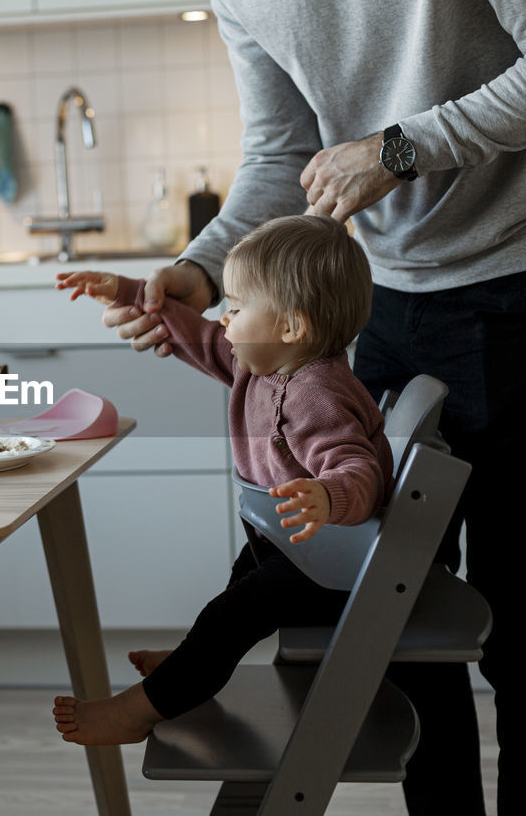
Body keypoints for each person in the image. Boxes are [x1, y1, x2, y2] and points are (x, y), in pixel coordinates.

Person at [98, 0, 526, 814]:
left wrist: (399, 149)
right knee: (393, 609)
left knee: (521, 623)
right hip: (376, 298)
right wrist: (200, 270)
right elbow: (282, 152)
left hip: (517, 279)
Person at [49, 214, 394, 745]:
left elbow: (357, 471)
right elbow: (198, 336)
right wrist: (127, 291)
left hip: (330, 568)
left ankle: (144, 707)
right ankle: (193, 665)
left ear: (290, 327)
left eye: (235, 308)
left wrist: (327, 495)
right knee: (229, 609)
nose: (224, 321)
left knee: (229, 615)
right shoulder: (264, 364)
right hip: (295, 549)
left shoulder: (316, 396)